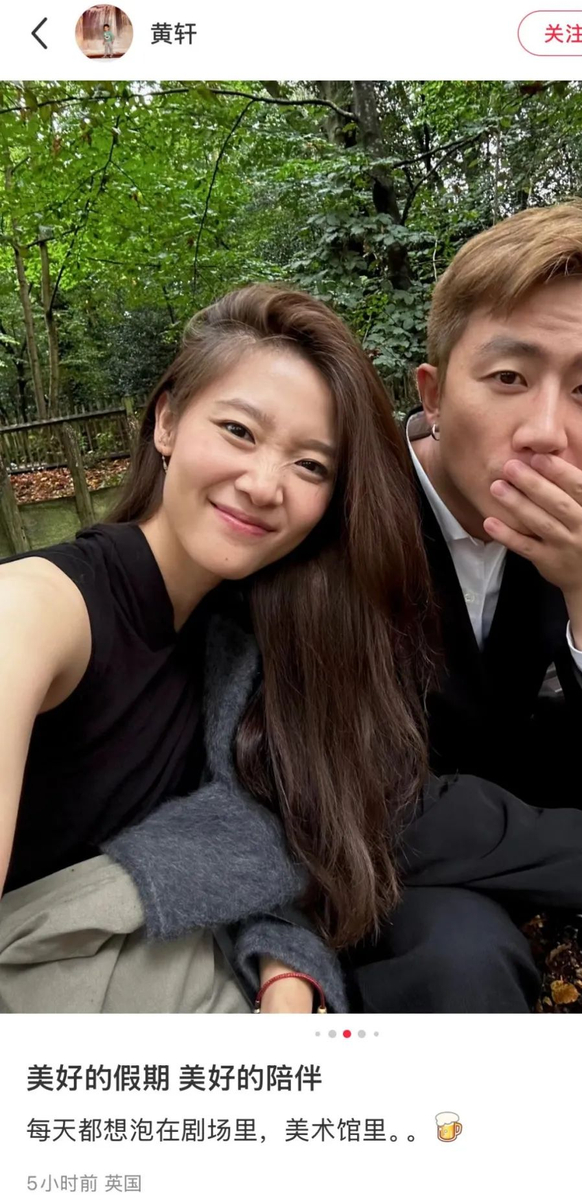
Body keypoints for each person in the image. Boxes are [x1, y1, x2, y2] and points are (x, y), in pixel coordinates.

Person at [0, 285, 434, 1013]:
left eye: (311, 466)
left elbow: (286, 830)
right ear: (167, 422)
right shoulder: (41, 608)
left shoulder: (247, 639)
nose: (264, 485)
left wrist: (287, 970)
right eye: (238, 430)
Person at [347, 199, 582, 1011]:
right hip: (374, 835)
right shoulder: (343, 517)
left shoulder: (575, 506)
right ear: (435, 393)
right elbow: (359, 799)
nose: (546, 431)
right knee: (462, 958)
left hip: (517, 784)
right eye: (508, 378)